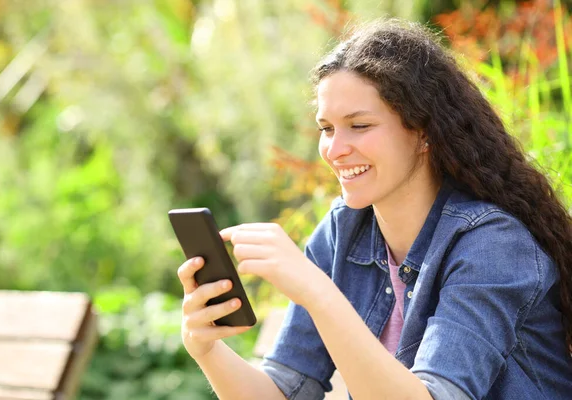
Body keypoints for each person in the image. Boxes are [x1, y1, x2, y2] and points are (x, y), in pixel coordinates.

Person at [176, 19, 572, 399]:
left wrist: (319, 293)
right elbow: (283, 391)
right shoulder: (342, 233)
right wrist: (206, 349)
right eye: (327, 128)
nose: (335, 149)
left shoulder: (493, 246)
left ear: (424, 133)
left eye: (359, 125)